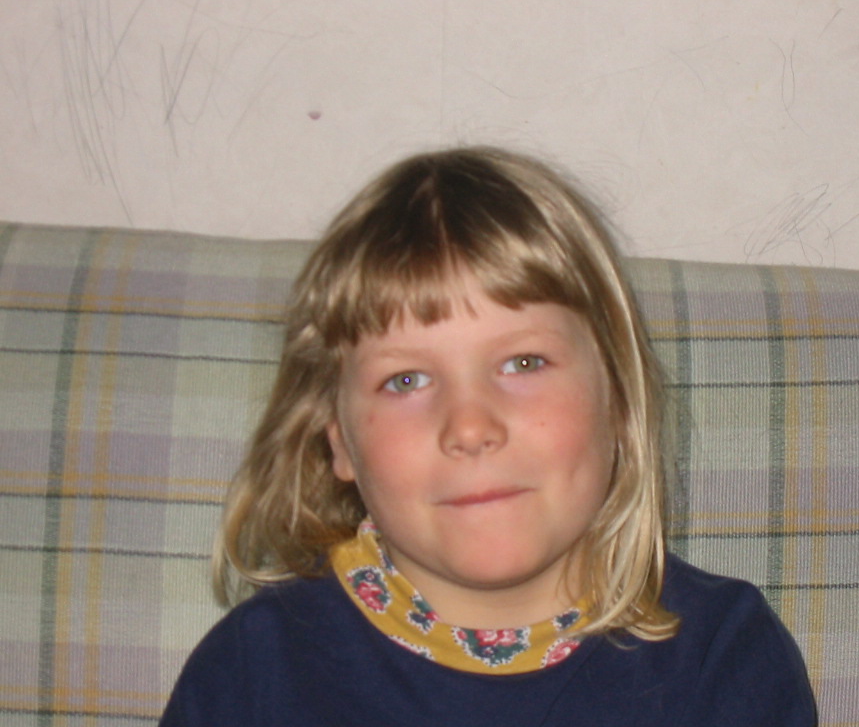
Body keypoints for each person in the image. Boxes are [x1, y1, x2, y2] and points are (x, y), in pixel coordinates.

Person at [160, 147, 817, 726]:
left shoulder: (721, 657)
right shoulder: (254, 671)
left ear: (618, 399)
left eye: (523, 363)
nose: (470, 427)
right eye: (406, 380)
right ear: (337, 440)